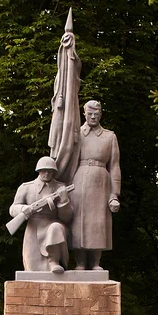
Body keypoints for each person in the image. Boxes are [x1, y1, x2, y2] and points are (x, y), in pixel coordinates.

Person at [69, 99, 120, 270]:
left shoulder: (109, 136)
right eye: (89, 114)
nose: (92, 117)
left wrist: (114, 194)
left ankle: (96, 262)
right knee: (78, 221)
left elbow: (114, 166)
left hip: (101, 182)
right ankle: (80, 262)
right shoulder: (76, 134)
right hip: (79, 180)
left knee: (98, 222)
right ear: (84, 114)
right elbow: (65, 157)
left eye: (96, 114)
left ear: (101, 114)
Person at [8, 157, 74, 273]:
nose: (47, 174)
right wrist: (24, 209)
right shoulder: (26, 187)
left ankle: (53, 261)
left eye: (50, 171)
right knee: (32, 268)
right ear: (38, 171)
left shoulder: (60, 188)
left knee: (56, 228)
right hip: (33, 228)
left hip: (51, 224)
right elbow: (12, 208)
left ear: (54, 172)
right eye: (44, 170)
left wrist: (64, 201)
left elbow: (67, 218)